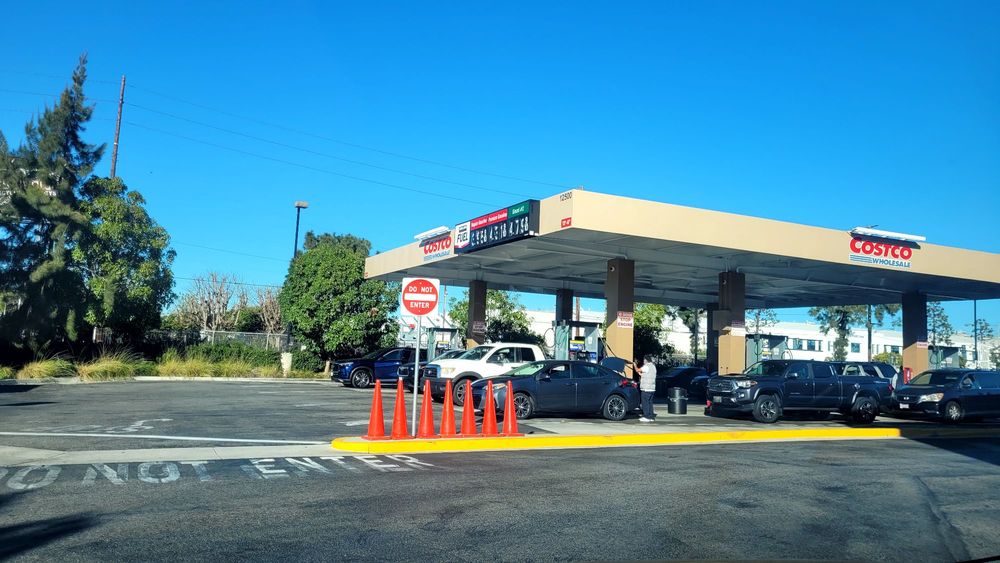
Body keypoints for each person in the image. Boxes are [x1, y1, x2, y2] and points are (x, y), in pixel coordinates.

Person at [636, 354, 657, 422]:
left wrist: (634, 364)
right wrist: (641, 375)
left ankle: (646, 416)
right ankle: (651, 417)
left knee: (645, 403)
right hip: (652, 388)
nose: (643, 361)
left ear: (646, 360)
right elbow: (648, 375)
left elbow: (637, 370)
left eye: (644, 360)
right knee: (650, 403)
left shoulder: (646, 366)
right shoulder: (653, 367)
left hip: (646, 388)